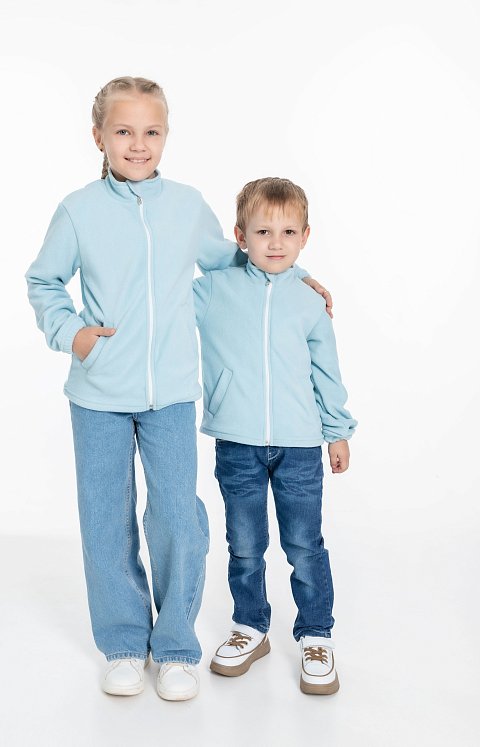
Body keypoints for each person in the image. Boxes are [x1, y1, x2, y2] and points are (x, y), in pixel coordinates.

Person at [26, 77, 330, 702]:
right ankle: (122, 643)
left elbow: (239, 262)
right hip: (98, 393)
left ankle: (174, 647)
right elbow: (44, 281)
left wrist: (295, 280)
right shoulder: (79, 210)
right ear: (98, 136)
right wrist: (72, 334)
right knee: (105, 519)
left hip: (171, 392)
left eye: (151, 132)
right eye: (124, 131)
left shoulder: (187, 206)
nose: (138, 144)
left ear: (166, 136)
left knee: (175, 517)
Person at [193, 177, 356, 695]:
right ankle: (250, 626)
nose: (276, 243)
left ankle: (316, 634)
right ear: (241, 236)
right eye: (263, 231)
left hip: (301, 444)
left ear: (305, 236)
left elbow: (326, 372)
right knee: (244, 545)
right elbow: (167, 286)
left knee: (304, 544)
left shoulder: (308, 301)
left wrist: (337, 431)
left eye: (288, 232)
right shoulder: (213, 289)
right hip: (236, 441)